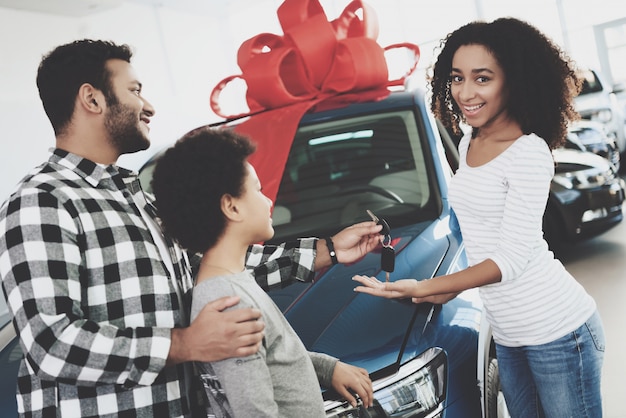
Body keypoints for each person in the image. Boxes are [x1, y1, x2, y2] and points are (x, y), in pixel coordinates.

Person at [0, 39, 383, 417]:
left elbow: (218, 265)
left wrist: (327, 250)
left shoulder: (135, 197)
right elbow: (52, 344)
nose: (148, 106)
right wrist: (184, 344)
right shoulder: (42, 201)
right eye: (134, 91)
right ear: (92, 99)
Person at [352, 17, 605, 418]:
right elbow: (481, 237)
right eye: (457, 78)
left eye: (482, 78)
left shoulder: (528, 152)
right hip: (509, 334)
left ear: (514, 81)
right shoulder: (472, 138)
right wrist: (430, 291)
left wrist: (429, 284)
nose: (465, 92)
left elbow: (509, 259)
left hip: (558, 331)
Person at [151, 127, 374, 417]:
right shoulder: (227, 301)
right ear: (231, 206)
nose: (268, 200)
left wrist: (324, 368)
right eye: (257, 189)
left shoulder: (229, 283)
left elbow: (272, 356)